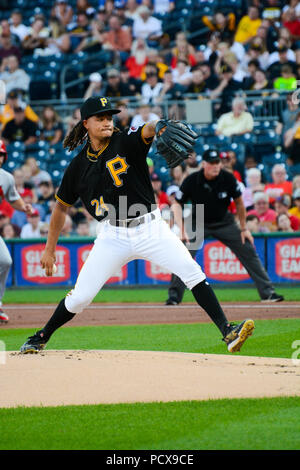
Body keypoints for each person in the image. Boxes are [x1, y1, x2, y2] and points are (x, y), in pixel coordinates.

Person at [19, 96, 254, 354]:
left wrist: (161, 124)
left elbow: (148, 128)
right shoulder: (77, 167)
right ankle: (42, 335)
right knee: (80, 297)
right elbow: (61, 207)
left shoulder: (126, 140)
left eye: (110, 117)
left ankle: (228, 331)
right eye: (101, 118)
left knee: (192, 271)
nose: (108, 122)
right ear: (86, 123)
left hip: (150, 228)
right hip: (112, 235)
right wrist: (49, 249)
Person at [165, 148, 284, 305]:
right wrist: (181, 229)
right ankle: (174, 297)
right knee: (183, 254)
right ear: (204, 164)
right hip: (198, 220)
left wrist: (244, 228)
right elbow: (176, 205)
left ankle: (268, 293)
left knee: (247, 247)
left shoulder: (228, 178)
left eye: (218, 163)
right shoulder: (192, 180)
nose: (216, 166)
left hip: (224, 220)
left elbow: (240, 203)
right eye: (212, 163)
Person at [0, 140, 33, 323]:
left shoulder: (6, 178)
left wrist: (24, 207)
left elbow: (13, 199)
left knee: (5, 261)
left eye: (0, 154)